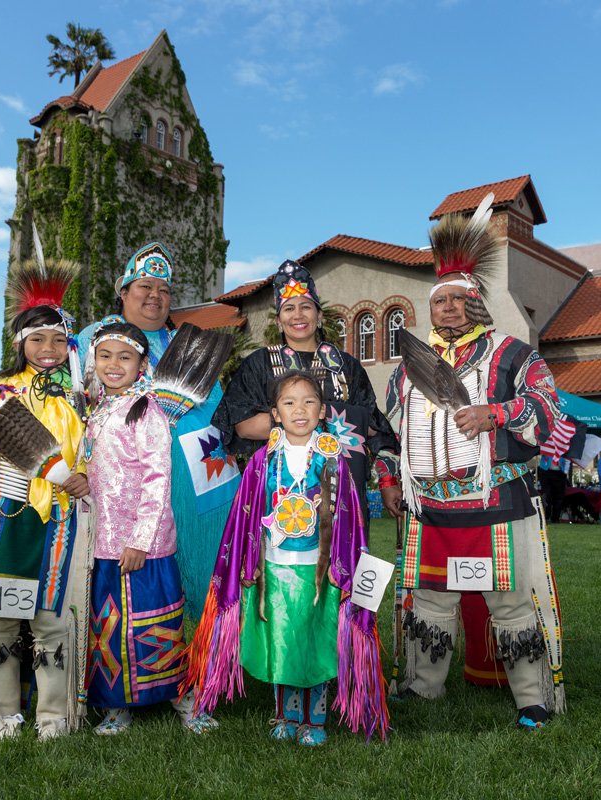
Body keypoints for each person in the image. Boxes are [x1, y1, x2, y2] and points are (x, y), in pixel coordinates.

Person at [376, 202, 566, 729]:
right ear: (430, 308)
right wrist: (390, 479)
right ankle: (422, 686)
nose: (451, 308)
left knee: (509, 604)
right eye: (442, 301)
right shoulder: (407, 369)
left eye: (461, 300)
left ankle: (532, 697)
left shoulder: (512, 355)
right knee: (431, 602)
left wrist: (497, 413)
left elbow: (551, 416)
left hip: (495, 501)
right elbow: (390, 434)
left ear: (478, 305)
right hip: (430, 506)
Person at [184, 371, 386, 745]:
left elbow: (350, 514)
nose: (299, 409)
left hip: (319, 570)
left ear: (322, 411)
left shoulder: (333, 460)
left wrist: (347, 567)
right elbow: (246, 515)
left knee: (316, 640)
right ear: (275, 414)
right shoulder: (263, 461)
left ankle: (316, 719)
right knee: (282, 640)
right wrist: (250, 562)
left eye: (309, 401)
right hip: (274, 568)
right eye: (289, 402)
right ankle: (285, 714)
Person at [0, 259, 92, 740]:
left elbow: (100, 449)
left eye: (56, 339)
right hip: (10, 519)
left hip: (65, 523)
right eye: (36, 339)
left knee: (53, 620)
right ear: (19, 345)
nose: (47, 349)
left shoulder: (82, 397)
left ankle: (55, 715)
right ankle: (2, 711)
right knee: (4, 617)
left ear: (68, 345)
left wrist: (85, 474)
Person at [77, 243, 240, 618]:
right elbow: (75, 408)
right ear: (124, 293)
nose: (155, 296)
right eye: (145, 286)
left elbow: (218, 410)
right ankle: (138, 663)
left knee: (207, 571)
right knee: (134, 591)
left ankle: (206, 661)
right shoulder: (93, 340)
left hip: (201, 475)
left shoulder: (186, 344)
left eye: (164, 290)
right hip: (127, 483)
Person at [83, 322, 217, 736]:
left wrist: (141, 540)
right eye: (105, 355)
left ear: (143, 364)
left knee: (157, 624)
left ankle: (186, 700)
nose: (113, 364)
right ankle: (116, 706)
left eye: (124, 357)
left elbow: (158, 478)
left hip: (147, 545)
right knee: (109, 626)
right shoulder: (98, 411)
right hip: (102, 542)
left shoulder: (147, 410)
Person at [213, 259, 396, 527]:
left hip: (345, 488)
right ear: (278, 320)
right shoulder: (259, 364)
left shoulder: (347, 366)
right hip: (280, 488)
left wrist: (388, 481)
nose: (297, 315)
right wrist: (320, 418)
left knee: (341, 562)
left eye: (306, 307)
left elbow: (373, 426)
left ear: (319, 315)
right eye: (289, 308)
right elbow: (243, 427)